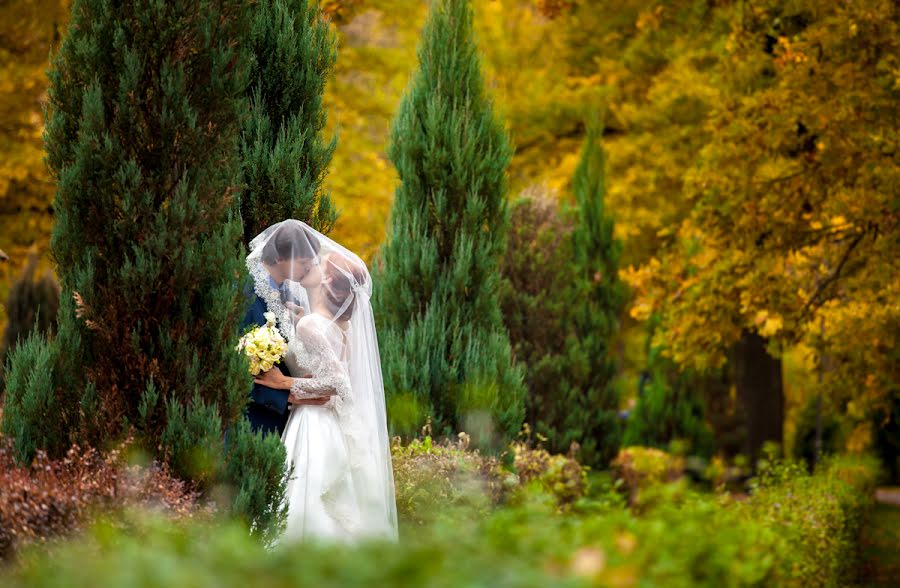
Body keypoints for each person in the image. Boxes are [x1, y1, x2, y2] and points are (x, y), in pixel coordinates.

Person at [248, 220, 398, 542]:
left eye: (318, 265)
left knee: (305, 501)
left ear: (327, 281)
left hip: (311, 423)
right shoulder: (327, 324)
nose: (310, 267)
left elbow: (338, 382)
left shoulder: (311, 325)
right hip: (323, 422)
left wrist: (284, 385)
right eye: (311, 261)